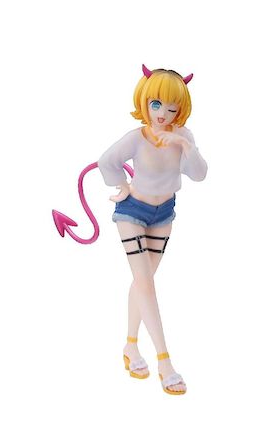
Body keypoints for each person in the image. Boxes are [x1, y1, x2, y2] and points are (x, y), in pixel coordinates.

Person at [97, 64, 208, 395]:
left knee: (142, 283)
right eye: (156, 104)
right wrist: (121, 186)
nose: (162, 114)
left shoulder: (183, 136)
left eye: (171, 108)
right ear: (144, 102)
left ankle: (130, 346)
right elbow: (106, 161)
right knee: (145, 283)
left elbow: (199, 174)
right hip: (132, 211)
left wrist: (184, 145)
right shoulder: (136, 138)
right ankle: (164, 361)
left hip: (164, 214)